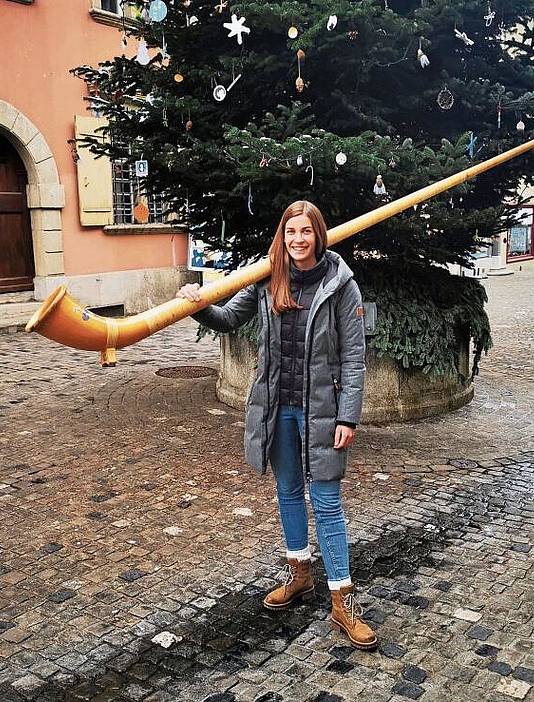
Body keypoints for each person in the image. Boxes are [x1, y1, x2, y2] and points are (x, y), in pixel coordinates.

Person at [176, 200, 377, 650]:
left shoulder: (340, 283)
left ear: (319, 234)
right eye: (291, 233)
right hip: (277, 408)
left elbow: (354, 356)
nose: (298, 240)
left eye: (306, 232)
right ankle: (300, 573)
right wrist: (197, 303)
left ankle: (343, 601)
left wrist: (348, 414)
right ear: (282, 236)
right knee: (287, 490)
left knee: (326, 501)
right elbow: (228, 318)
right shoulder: (269, 276)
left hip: (321, 409)